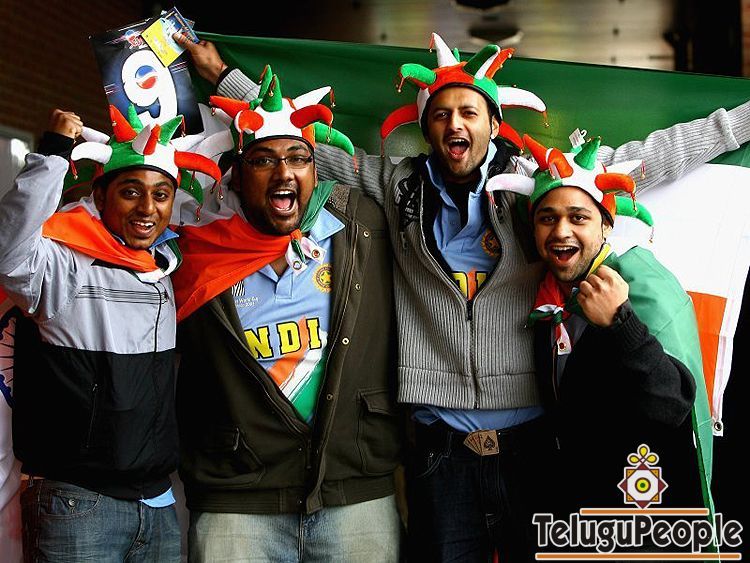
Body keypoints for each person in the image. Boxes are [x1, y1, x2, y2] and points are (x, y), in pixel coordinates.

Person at [177, 31, 749, 560]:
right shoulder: (397, 184)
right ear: (426, 128)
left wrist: (742, 121)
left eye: (469, 112)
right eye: (442, 113)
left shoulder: (539, 187)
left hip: (532, 447)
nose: (456, 123)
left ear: (493, 123)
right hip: (439, 454)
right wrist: (225, 78)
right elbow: (300, 146)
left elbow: (653, 156)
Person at [170, 69, 402, 562]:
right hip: (237, 498)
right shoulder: (194, 250)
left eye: (299, 158)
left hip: (353, 490)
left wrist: (224, 75)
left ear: (317, 172)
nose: (284, 173)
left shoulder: (362, 224)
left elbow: (432, 181)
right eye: (263, 160)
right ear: (236, 174)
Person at [0, 106, 220, 562]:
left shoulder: (166, 270)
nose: (148, 208)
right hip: (78, 503)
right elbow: (8, 251)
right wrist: (54, 154)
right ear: (100, 197)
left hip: (157, 503)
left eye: (161, 195)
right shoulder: (63, 264)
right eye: (130, 192)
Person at [488, 135, 707, 519]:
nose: (561, 231)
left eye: (578, 217)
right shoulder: (547, 301)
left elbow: (672, 404)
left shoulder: (644, 287)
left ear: (606, 225)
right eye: (547, 218)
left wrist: (621, 322)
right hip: (575, 512)